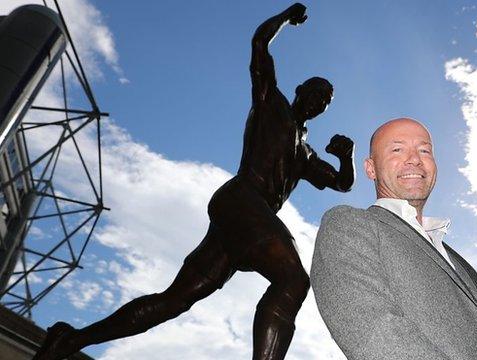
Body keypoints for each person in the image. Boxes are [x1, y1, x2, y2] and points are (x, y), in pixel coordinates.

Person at [34, 3, 355, 360]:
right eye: (315, 91)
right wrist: (285, 17)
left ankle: (70, 340)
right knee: (293, 279)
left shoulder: (306, 154)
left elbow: (342, 184)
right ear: (299, 89)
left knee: (176, 300)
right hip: (241, 200)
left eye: (326, 100)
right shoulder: (271, 103)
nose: (319, 100)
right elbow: (260, 44)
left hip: (244, 221)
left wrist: (347, 156)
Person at [311, 118, 477, 359]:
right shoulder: (349, 226)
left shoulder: (467, 268)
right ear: (370, 168)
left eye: (424, 150)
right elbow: (375, 333)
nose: (415, 159)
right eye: (397, 149)